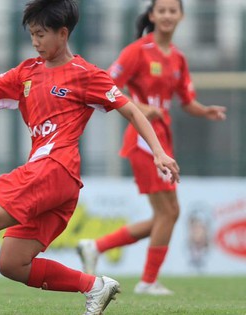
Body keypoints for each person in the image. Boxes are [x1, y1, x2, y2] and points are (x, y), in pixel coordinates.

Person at [0, 0, 180, 314]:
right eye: (32, 34)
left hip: (54, 168)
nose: (35, 41)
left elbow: (130, 110)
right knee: (13, 262)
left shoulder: (86, 74)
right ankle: (95, 287)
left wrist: (158, 152)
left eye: (41, 34)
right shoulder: (27, 72)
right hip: (57, 181)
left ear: (63, 33)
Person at [76, 0, 226, 296]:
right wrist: (141, 106)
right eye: (163, 10)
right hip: (144, 142)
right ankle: (147, 282)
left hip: (162, 141)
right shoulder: (138, 51)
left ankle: (96, 246)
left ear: (181, 16)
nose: (168, 15)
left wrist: (204, 110)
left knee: (165, 214)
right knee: (170, 212)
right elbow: (107, 84)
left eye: (174, 10)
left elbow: (186, 100)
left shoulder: (178, 59)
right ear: (152, 15)